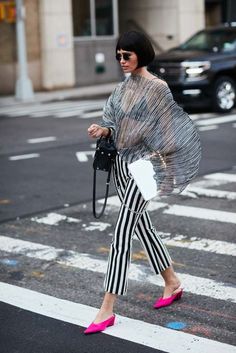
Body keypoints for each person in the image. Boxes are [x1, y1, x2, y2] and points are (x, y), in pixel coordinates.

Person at [85, 31, 201, 335]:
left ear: (141, 54)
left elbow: (166, 132)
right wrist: (103, 130)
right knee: (142, 228)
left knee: (122, 231)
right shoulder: (123, 88)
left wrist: (167, 173)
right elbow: (115, 125)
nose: (122, 61)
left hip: (145, 167)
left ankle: (106, 308)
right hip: (122, 166)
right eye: (119, 55)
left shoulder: (157, 88)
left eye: (128, 55)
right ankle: (171, 282)